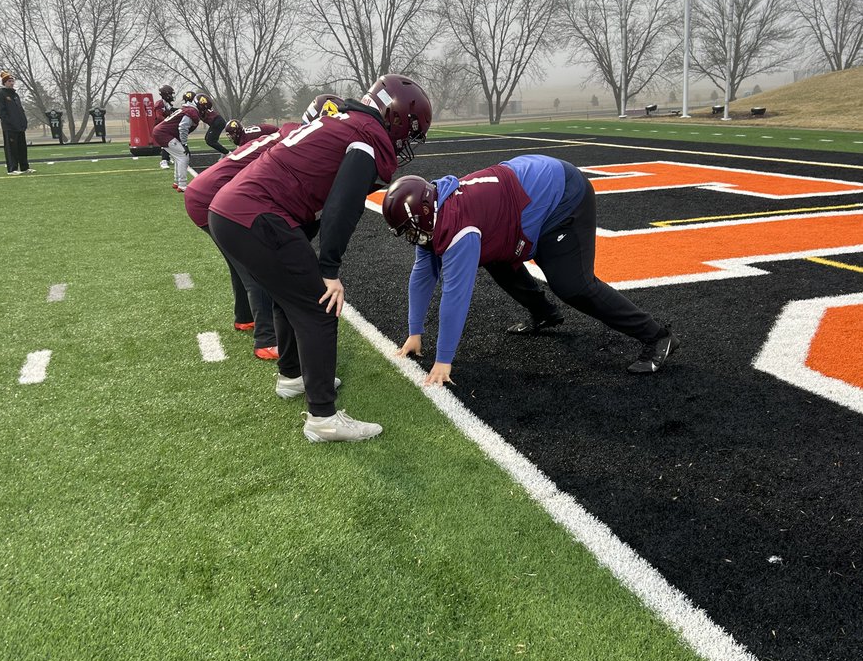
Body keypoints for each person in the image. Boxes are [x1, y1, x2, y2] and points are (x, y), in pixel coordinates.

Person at [207, 74, 431, 443]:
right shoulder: (365, 138)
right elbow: (341, 207)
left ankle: (293, 375)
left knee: (290, 294)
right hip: (255, 215)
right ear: (394, 118)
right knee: (321, 306)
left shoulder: (342, 122)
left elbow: (311, 201)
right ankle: (323, 418)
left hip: (233, 212)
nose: (407, 142)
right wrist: (328, 269)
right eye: (410, 131)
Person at [382, 153, 679, 386]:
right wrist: (414, 333)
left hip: (561, 195)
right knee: (493, 256)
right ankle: (544, 313)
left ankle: (657, 336)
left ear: (423, 215)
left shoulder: (460, 226)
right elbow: (423, 274)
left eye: (410, 229)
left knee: (574, 286)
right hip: (527, 189)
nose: (410, 237)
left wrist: (443, 360)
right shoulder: (434, 211)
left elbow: (455, 296)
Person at [186, 95, 340, 360]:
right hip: (213, 198)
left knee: (240, 265)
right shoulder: (296, 141)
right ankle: (266, 339)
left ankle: (245, 317)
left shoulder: (288, 133)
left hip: (205, 192)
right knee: (256, 270)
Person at [151, 91, 214, 192]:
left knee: (179, 156)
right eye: (205, 109)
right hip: (164, 134)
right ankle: (182, 185)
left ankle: (177, 182)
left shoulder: (189, 109)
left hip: (162, 132)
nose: (205, 112)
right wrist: (184, 144)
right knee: (183, 156)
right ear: (201, 106)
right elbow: (183, 127)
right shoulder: (192, 112)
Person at [0, 71, 34, 175]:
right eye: (9, 81)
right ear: (5, 82)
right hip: (10, 127)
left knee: (22, 148)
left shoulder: (15, 95)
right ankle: (12, 169)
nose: (12, 83)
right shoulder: (0, 94)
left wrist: (23, 122)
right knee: (11, 148)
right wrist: (10, 122)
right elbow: (1, 112)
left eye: (12, 81)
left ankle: (25, 167)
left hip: (19, 126)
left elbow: (20, 110)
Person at [153, 85, 178, 169]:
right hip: (160, 128)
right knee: (166, 143)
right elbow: (159, 116)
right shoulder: (160, 104)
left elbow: (172, 110)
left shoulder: (167, 104)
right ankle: (164, 160)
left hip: (165, 127)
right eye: (170, 94)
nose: (172, 96)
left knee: (172, 141)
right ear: (165, 94)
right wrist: (168, 121)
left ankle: (167, 158)